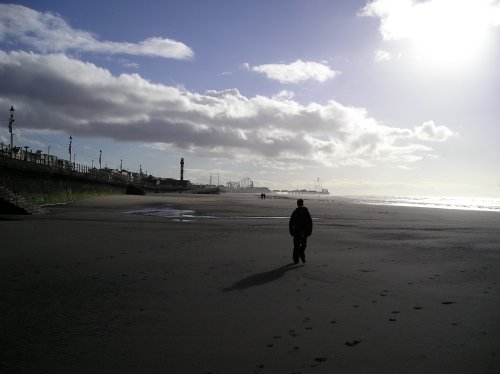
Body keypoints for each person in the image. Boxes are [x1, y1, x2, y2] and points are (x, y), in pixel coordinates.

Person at [289, 199, 313, 264]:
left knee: (296, 245)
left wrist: (291, 231)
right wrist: (310, 230)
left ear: (297, 204)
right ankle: (301, 253)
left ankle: (296, 260)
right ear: (303, 204)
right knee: (303, 244)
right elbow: (310, 222)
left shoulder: (295, 212)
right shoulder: (306, 211)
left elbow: (291, 223)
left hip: (296, 231)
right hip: (304, 231)